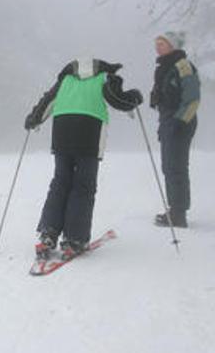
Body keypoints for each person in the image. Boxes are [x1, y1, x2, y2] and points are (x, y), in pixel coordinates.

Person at [25, 58, 143, 258]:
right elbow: (119, 100)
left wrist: (33, 119)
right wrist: (135, 97)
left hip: (62, 131)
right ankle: (74, 239)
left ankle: (49, 233)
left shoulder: (66, 80)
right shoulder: (104, 77)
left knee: (60, 182)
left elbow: (47, 101)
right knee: (83, 185)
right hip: (89, 132)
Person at [150, 31, 200, 228]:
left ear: (173, 46)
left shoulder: (183, 66)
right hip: (167, 120)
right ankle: (175, 209)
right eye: (157, 43)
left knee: (176, 166)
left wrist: (180, 122)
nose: (157, 47)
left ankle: (179, 214)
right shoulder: (164, 67)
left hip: (180, 121)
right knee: (169, 166)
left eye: (162, 43)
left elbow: (192, 98)